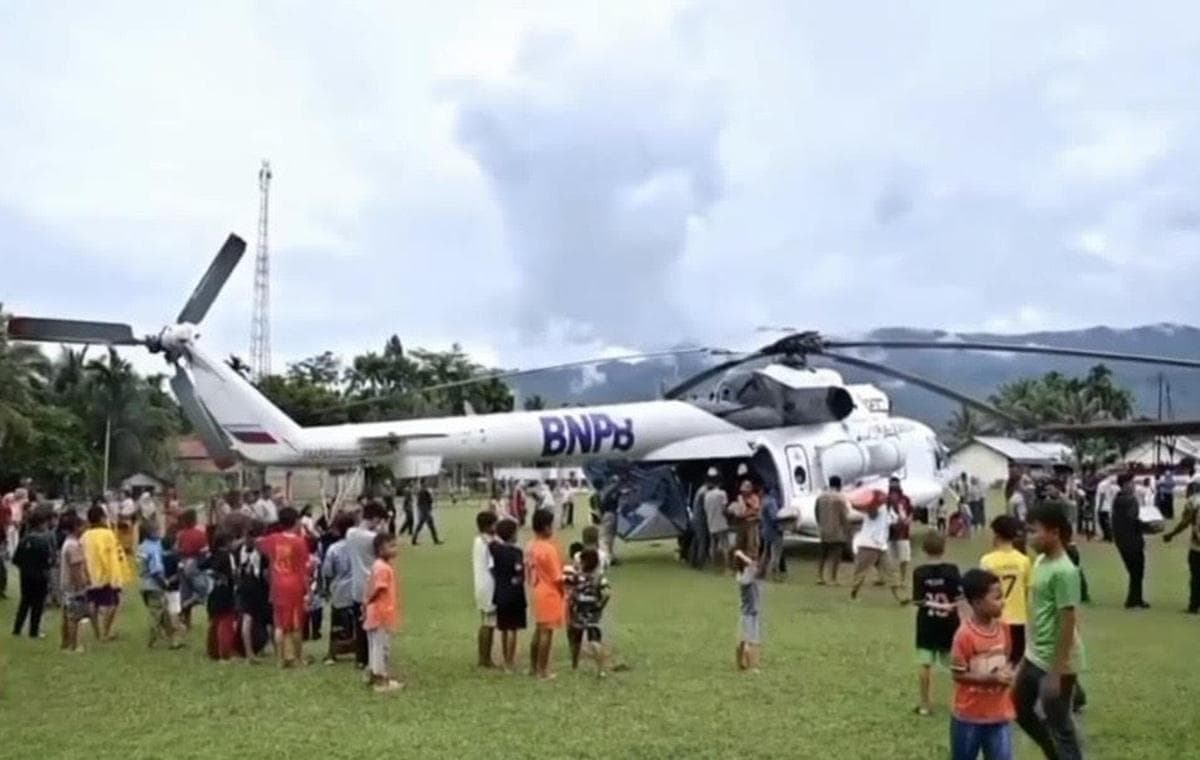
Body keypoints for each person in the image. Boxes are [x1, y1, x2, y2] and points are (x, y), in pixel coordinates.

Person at [1014, 503, 1086, 760]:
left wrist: (1056, 672)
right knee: (1018, 709)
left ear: (1054, 533)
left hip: (1056, 662)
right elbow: (1038, 615)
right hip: (1035, 654)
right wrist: (1025, 656)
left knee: (1060, 726)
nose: (1028, 537)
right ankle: (1053, 753)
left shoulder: (1065, 571)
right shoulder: (1042, 561)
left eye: (1034, 531)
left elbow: (1068, 622)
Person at [949, 568, 1015, 760]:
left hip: (999, 715)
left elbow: (1007, 658)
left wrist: (1007, 674)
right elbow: (958, 674)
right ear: (977, 603)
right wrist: (991, 678)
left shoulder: (1004, 628)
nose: (1002, 602)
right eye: (996, 598)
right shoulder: (964, 636)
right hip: (969, 717)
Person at [912, 530, 962, 717]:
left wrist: (934, 603)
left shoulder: (920, 572)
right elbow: (960, 596)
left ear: (924, 549)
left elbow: (918, 601)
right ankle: (958, 704)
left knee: (925, 664)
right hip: (949, 623)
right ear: (944, 547)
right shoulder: (952, 570)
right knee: (955, 665)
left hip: (927, 623)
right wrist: (949, 605)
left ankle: (925, 704)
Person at [257, 506, 311, 667]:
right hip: (293, 586)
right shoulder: (299, 542)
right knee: (296, 624)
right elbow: (303, 569)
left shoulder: (273, 539)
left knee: (279, 623)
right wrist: (308, 590)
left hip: (277, 584)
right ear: (295, 522)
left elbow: (259, 543)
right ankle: (298, 658)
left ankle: (280, 659)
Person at [980, 516, 1031, 666]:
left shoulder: (987, 561)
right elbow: (1027, 590)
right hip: (1018, 619)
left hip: (995, 619)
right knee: (1015, 663)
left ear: (996, 535)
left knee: (995, 664)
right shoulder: (1024, 561)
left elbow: (982, 591)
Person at [526, 508, 566, 680]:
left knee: (539, 630)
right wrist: (563, 591)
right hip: (549, 592)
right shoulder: (548, 549)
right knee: (546, 633)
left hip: (536, 590)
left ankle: (533, 667)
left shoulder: (530, 546)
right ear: (545, 527)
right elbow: (557, 577)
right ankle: (543, 671)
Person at [850, 494, 908, 605]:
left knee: (890, 571)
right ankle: (853, 594)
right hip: (868, 545)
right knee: (861, 573)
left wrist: (901, 519)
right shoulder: (876, 509)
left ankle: (900, 597)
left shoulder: (890, 511)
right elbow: (872, 514)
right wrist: (874, 504)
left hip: (881, 546)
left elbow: (896, 526)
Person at [364, 532, 402, 692]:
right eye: (391, 546)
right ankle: (381, 680)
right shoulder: (383, 568)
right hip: (381, 612)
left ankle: (374, 674)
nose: (395, 549)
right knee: (381, 647)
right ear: (380, 550)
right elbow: (379, 588)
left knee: (375, 646)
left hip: (375, 613)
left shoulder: (377, 565)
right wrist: (369, 600)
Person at [565, 547, 611, 677]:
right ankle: (600, 669)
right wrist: (600, 605)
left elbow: (567, 586)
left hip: (577, 612)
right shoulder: (599, 578)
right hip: (593, 613)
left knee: (575, 640)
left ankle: (574, 665)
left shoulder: (577, 576)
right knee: (595, 640)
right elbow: (607, 593)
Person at [11, 509, 54, 638]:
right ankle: (33, 631)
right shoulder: (44, 541)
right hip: (40, 576)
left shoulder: (24, 540)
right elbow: (49, 560)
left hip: (26, 576)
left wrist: (25, 567)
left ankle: (17, 629)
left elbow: (15, 560)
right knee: (38, 604)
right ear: (41, 524)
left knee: (25, 602)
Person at [82, 504, 122, 641]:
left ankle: (97, 633)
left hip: (89, 575)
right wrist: (115, 577)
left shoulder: (85, 535)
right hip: (106, 575)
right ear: (100, 518)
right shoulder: (108, 534)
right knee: (113, 603)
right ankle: (106, 631)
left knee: (92, 603)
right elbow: (112, 557)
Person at [322, 512, 357, 664]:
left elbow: (328, 571)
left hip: (340, 590)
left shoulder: (334, 549)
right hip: (357, 589)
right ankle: (360, 650)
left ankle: (332, 654)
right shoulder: (359, 547)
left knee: (337, 624)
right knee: (357, 622)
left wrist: (327, 587)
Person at [137, 522, 178, 649]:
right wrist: (164, 583)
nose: (160, 532)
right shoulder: (154, 548)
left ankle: (173, 639)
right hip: (154, 585)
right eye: (157, 530)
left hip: (143, 584)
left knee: (164, 611)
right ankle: (152, 640)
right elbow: (155, 570)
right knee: (156, 613)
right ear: (151, 532)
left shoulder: (142, 546)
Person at [1111, 473, 1149, 609]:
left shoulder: (1117, 499)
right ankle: (1134, 600)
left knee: (1134, 571)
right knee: (1137, 571)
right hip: (1132, 539)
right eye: (1131, 483)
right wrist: (1148, 526)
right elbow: (1133, 519)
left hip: (1122, 539)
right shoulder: (1130, 500)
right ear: (1125, 485)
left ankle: (1136, 599)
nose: (1134, 486)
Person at [235, 522, 272, 661]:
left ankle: (249, 651)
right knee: (270, 619)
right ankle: (278, 649)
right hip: (259, 587)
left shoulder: (240, 547)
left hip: (244, 584)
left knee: (247, 618)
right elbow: (266, 573)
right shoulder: (262, 550)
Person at [1163, 481, 1200, 614]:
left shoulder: (1192, 502)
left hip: (1197, 547)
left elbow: (1185, 522)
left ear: (1190, 491)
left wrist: (1171, 534)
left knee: (1196, 576)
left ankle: (1194, 606)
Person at [58, 512, 90, 653]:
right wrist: (82, 585)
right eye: (82, 526)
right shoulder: (73, 546)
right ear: (76, 527)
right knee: (75, 617)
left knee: (67, 615)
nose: (84, 529)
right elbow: (76, 568)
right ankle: (74, 646)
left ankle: (66, 643)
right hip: (73, 586)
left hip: (66, 585)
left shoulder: (68, 543)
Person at [205, 532, 239, 662]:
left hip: (212, 592)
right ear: (227, 543)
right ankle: (225, 654)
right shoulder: (227, 556)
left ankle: (213, 652)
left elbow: (202, 566)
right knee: (226, 622)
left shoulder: (213, 555)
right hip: (225, 592)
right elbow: (232, 575)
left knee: (215, 621)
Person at [176, 509, 209, 629]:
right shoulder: (200, 534)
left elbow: (177, 549)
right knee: (202, 591)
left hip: (182, 563)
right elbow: (204, 552)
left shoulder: (181, 534)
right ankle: (185, 606)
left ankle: (187, 622)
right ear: (195, 520)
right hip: (195, 563)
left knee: (185, 592)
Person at [472, 510, 498, 668]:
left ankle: (484, 657)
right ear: (488, 526)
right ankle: (485, 658)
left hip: (480, 585)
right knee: (489, 623)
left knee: (485, 622)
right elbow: (493, 566)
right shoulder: (489, 543)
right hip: (489, 586)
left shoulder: (478, 540)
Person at [815, 476, 851, 585]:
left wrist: (821, 524)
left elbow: (816, 513)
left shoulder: (820, 497)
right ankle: (833, 578)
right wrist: (847, 529)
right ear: (839, 485)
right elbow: (844, 516)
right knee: (836, 556)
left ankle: (819, 577)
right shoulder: (840, 498)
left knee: (822, 555)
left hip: (824, 530)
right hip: (837, 531)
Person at [732, 548, 761, 671]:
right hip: (751, 614)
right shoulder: (748, 577)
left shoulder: (740, 576)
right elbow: (753, 564)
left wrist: (739, 556)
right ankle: (748, 666)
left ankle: (740, 662)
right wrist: (741, 554)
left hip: (745, 613)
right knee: (749, 642)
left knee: (743, 640)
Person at [730, 479, 761, 559]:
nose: (744, 492)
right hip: (741, 523)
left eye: (746, 490)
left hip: (751, 523)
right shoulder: (740, 498)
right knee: (739, 543)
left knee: (752, 543)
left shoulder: (754, 498)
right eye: (743, 491)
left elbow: (756, 511)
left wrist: (745, 514)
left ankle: (752, 561)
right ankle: (739, 561)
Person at [759, 486, 784, 581]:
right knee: (776, 554)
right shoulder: (771, 502)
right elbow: (774, 517)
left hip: (765, 530)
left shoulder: (763, 501)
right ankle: (775, 575)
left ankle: (761, 573)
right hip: (774, 531)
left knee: (765, 553)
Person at [412, 480, 442, 545]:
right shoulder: (423, 491)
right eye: (425, 483)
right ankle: (435, 540)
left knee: (420, 526)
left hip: (424, 511)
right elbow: (428, 501)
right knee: (430, 526)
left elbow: (423, 502)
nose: (426, 484)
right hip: (425, 511)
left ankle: (414, 540)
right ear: (423, 483)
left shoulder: (422, 491)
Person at [1094, 475, 1117, 542]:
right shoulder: (1110, 484)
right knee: (1106, 522)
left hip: (1102, 506)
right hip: (1108, 505)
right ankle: (1107, 536)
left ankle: (1108, 537)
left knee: (1103, 522)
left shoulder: (1102, 484)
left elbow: (1102, 495)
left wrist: (1099, 507)